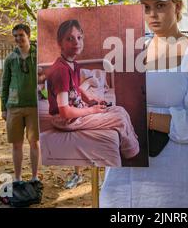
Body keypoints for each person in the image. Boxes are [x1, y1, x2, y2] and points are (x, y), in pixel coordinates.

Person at [100, 0, 188, 207]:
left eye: (160, 6)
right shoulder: (130, 52)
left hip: (174, 178)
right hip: (125, 175)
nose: (152, 14)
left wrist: (145, 119)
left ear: (178, 6)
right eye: (146, 8)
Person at [46, 20, 140, 170]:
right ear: (60, 43)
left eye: (79, 37)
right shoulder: (60, 71)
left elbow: (75, 88)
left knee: (120, 110)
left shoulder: (73, 64)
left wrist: (89, 99)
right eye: (69, 38)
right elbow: (64, 112)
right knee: (120, 118)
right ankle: (132, 158)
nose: (76, 42)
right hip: (66, 120)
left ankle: (131, 152)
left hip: (77, 111)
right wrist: (91, 111)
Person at [1, 23, 41, 184]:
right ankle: (17, 178)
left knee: (34, 143)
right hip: (14, 107)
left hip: (34, 105)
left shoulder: (39, 55)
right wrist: (3, 108)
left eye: (21, 35)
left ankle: (34, 177)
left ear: (28, 36)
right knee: (16, 144)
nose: (18, 39)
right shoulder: (10, 59)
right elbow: (4, 83)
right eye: (16, 36)